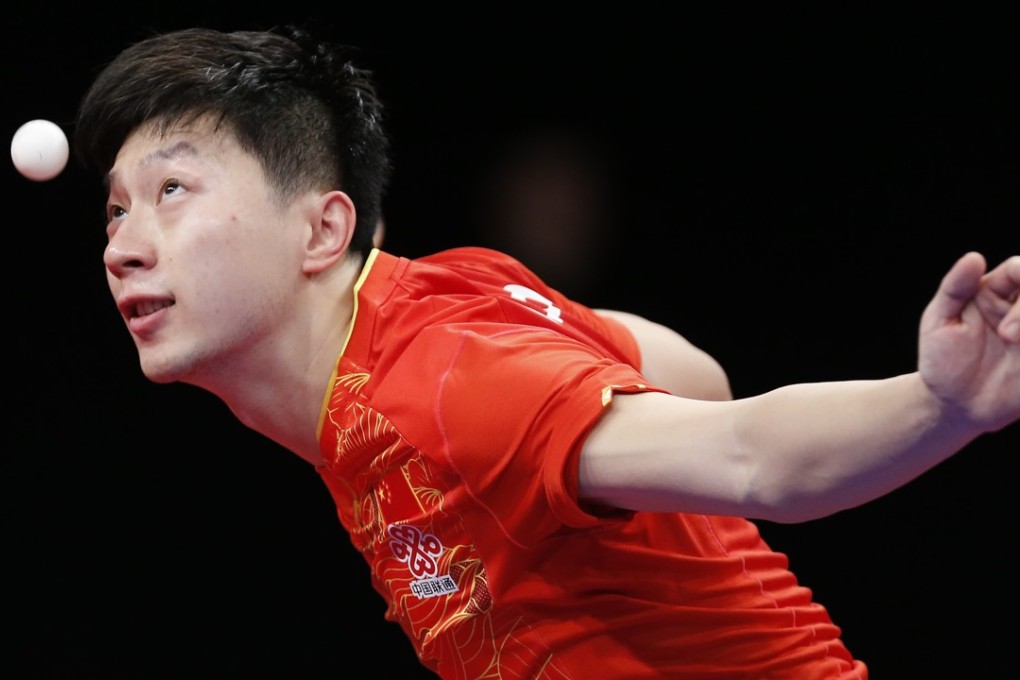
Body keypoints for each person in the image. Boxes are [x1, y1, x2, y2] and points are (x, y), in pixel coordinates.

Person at [72, 25, 1019, 680]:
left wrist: (942, 405)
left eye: (172, 191)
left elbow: (752, 457)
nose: (123, 245)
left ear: (323, 230)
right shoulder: (438, 302)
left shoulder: (441, 384)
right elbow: (694, 375)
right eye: (116, 209)